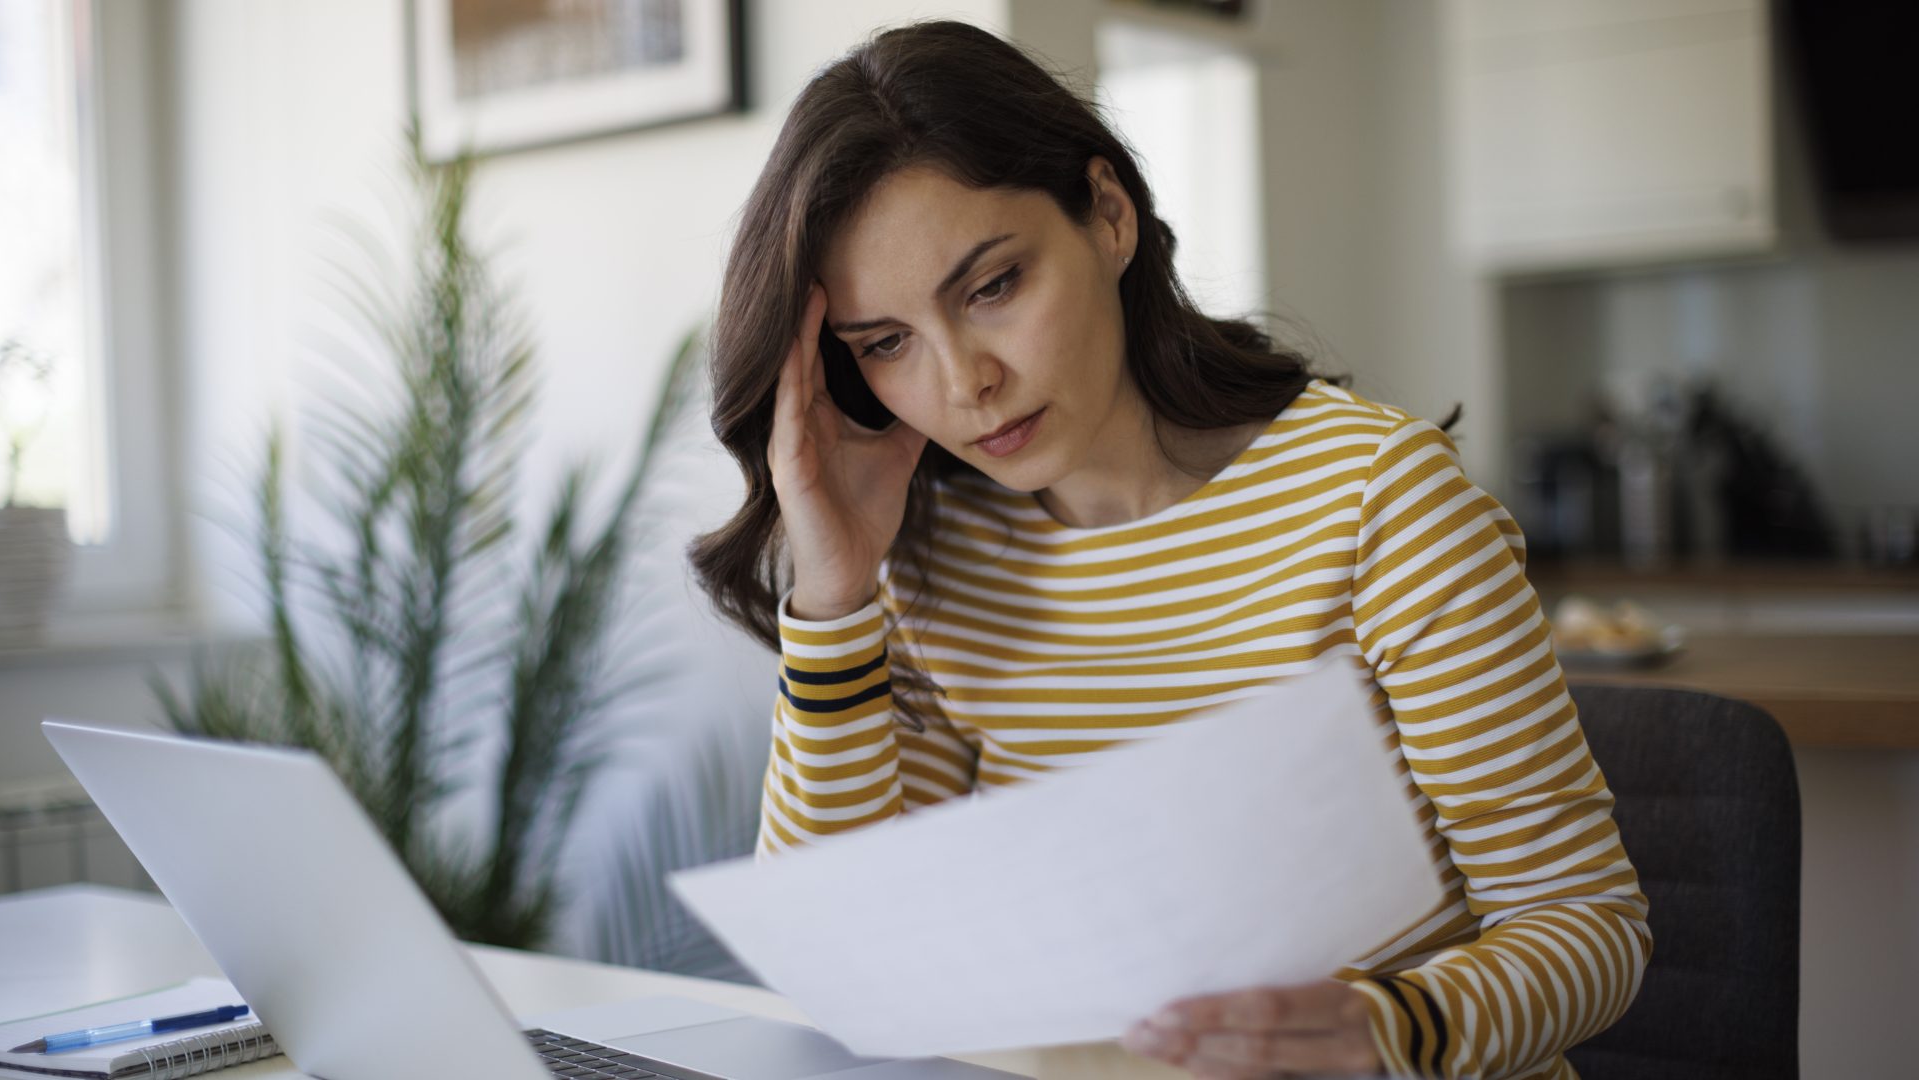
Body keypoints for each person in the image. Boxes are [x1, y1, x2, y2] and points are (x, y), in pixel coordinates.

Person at [690, 19, 1649, 1080]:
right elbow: (843, 961)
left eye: (994, 286)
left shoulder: (1379, 501)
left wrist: (1388, 1028)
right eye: (887, 344)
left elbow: (1587, 926)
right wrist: (834, 594)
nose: (964, 383)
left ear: (1108, 215)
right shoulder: (929, 561)